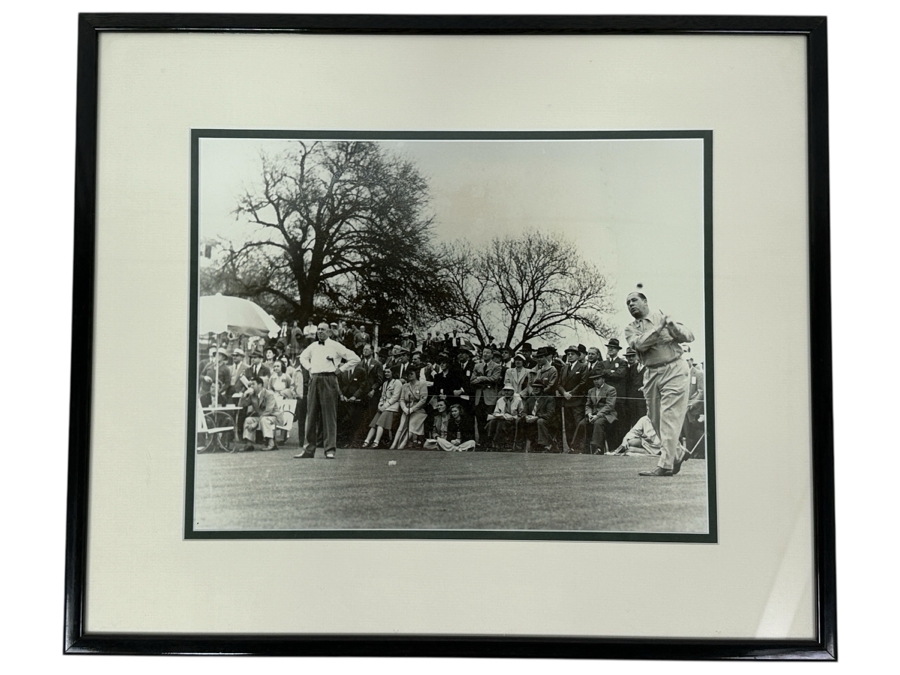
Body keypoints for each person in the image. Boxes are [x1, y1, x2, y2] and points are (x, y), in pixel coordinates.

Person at [624, 291, 694, 476]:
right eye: (628, 303)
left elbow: (689, 336)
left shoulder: (661, 316)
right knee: (654, 419)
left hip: (674, 368)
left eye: (634, 300)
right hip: (651, 373)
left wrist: (672, 328)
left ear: (645, 301)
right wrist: (659, 329)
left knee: (668, 417)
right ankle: (677, 452)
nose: (631, 304)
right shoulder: (630, 328)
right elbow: (639, 345)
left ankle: (665, 465)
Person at [293, 322, 359, 460]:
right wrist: (310, 368)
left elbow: (355, 358)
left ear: (329, 332)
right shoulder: (313, 346)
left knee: (329, 415)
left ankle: (330, 449)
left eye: (323, 330)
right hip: (315, 379)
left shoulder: (335, 346)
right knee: (311, 415)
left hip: (329, 379)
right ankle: (309, 449)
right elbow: (303, 357)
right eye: (318, 330)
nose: (320, 332)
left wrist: (340, 369)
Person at [571, 370, 617, 454]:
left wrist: (597, 416)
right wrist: (589, 414)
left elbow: (609, 406)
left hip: (607, 415)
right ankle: (577, 448)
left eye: (598, 379)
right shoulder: (591, 390)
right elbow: (588, 405)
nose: (595, 381)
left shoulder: (611, 389)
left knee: (598, 423)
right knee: (582, 423)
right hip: (593, 415)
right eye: (594, 380)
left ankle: (597, 448)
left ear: (603, 379)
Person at [556, 344, 588, 450]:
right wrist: (564, 393)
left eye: (572, 354)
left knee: (578, 424)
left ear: (578, 356)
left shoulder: (583, 367)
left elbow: (583, 383)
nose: (570, 356)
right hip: (566, 401)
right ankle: (571, 447)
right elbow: (559, 383)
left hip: (577, 401)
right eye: (568, 354)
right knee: (568, 425)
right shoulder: (564, 368)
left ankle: (578, 447)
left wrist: (571, 393)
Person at [362, 367, 402, 448]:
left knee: (380, 423)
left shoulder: (397, 382)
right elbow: (382, 396)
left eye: (388, 372)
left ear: (392, 373)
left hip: (392, 407)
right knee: (374, 424)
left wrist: (385, 406)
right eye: (385, 372)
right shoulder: (385, 383)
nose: (386, 374)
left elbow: (395, 397)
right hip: (384, 407)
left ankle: (376, 442)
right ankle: (366, 441)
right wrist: (380, 405)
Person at [237, 375, 279, 451]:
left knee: (264, 420)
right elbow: (241, 405)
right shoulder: (252, 395)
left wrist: (256, 424)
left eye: (253, 384)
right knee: (248, 420)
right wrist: (244, 395)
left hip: (273, 417)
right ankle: (249, 444)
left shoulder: (269, 394)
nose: (251, 386)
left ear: (260, 385)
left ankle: (271, 444)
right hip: (262, 417)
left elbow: (268, 411)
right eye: (250, 385)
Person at [601, 337, 629, 448]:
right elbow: (600, 373)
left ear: (618, 350)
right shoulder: (603, 363)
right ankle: (611, 447)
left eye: (613, 348)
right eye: (609, 347)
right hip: (607, 398)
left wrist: (608, 373)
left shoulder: (623, 363)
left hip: (619, 398)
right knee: (608, 423)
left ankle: (620, 448)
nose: (611, 349)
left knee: (620, 424)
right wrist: (611, 372)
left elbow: (619, 374)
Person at [392, 368, 430, 448]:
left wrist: (413, 409)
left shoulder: (422, 384)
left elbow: (423, 400)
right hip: (407, 408)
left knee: (411, 425)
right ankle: (394, 444)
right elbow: (401, 399)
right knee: (401, 426)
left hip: (418, 410)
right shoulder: (405, 386)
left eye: (411, 373)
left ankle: (402, 445)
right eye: (408, 374)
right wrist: (405, 408)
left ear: (416, 374)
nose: (409, 376)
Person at [484, 383, 524, 450]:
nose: (506, 392)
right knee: (492, 422)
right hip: (501, 418)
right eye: (505, 390)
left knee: (501, 423)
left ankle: (497, 442)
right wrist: (499, 415)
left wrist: (512, 417)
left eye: (508, 391)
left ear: (512, 392)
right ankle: (491, 441)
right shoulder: (500, 400)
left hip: (512, 419)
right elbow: (496, 412)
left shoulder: (518, 400)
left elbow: (521, 413)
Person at [520, 380, 556, 452]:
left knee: (540, 421)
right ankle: (519, 445)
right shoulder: (530, 400)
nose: (535, 389)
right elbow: (523, 412)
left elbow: (550, 413)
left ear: (542, 389)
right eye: (534, 387)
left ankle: (544, 445)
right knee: (519, 420)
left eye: (538, 387)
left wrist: (537, 417)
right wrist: (526, 416)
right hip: (531, 420)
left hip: (545, 421)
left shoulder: (549, 399)